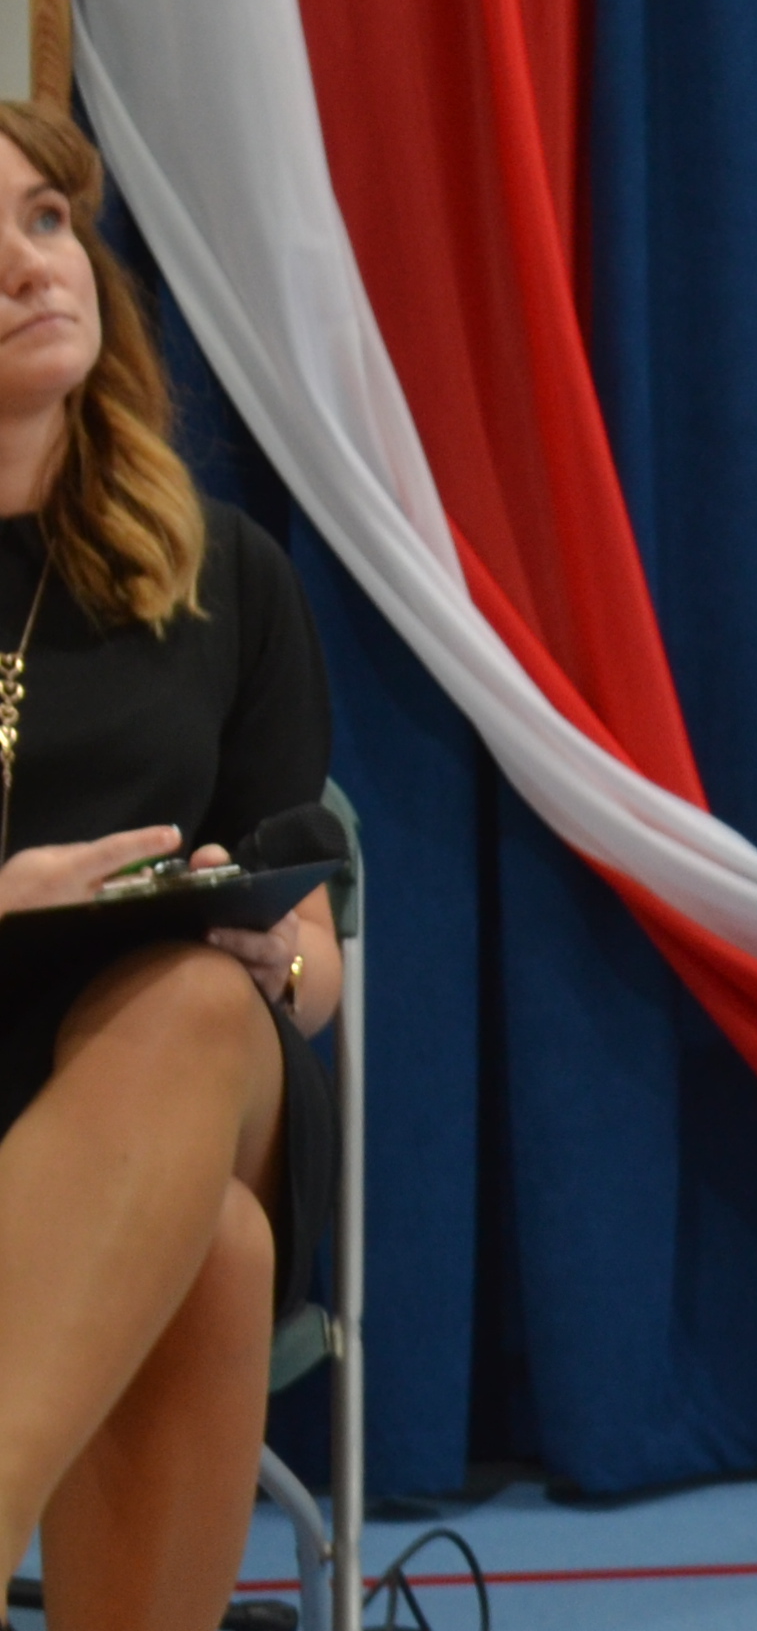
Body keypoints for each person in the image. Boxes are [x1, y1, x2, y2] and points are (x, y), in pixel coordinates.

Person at [0, 99, 342, 1631]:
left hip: (188, 1069)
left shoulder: (223, 572)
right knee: (211, 1252)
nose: (32, 266)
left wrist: (280, 956)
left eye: (47, 220)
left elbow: (314, 955)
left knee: (201, 1009)